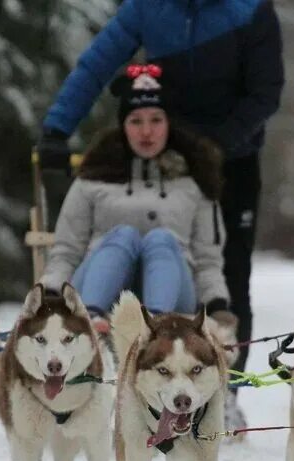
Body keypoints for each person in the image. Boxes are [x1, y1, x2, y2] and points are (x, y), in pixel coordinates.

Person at [37, 0, 284, 431]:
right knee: (149, 245)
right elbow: (97, 65)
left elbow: (265, 92)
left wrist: (213, 146)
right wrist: (57, 128)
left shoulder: (249, 11)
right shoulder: (148, 8)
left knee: (228, 271)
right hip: (164, 145)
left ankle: (227, 391)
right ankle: (140, 363)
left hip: (232, 154)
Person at [40, 66, 235, 337]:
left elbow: (207, 260)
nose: (146, 132)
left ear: (169, 124)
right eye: (136, 121)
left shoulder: (194, 183)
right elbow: (67, 249)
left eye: (156, 120)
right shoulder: (93, 178)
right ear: (123, 126)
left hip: (175, 289)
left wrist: (217, 304)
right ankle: (92, 317)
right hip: (99, 280)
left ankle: (154, 323)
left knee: (161, 239)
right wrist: (50, 291)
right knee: (123, 234)